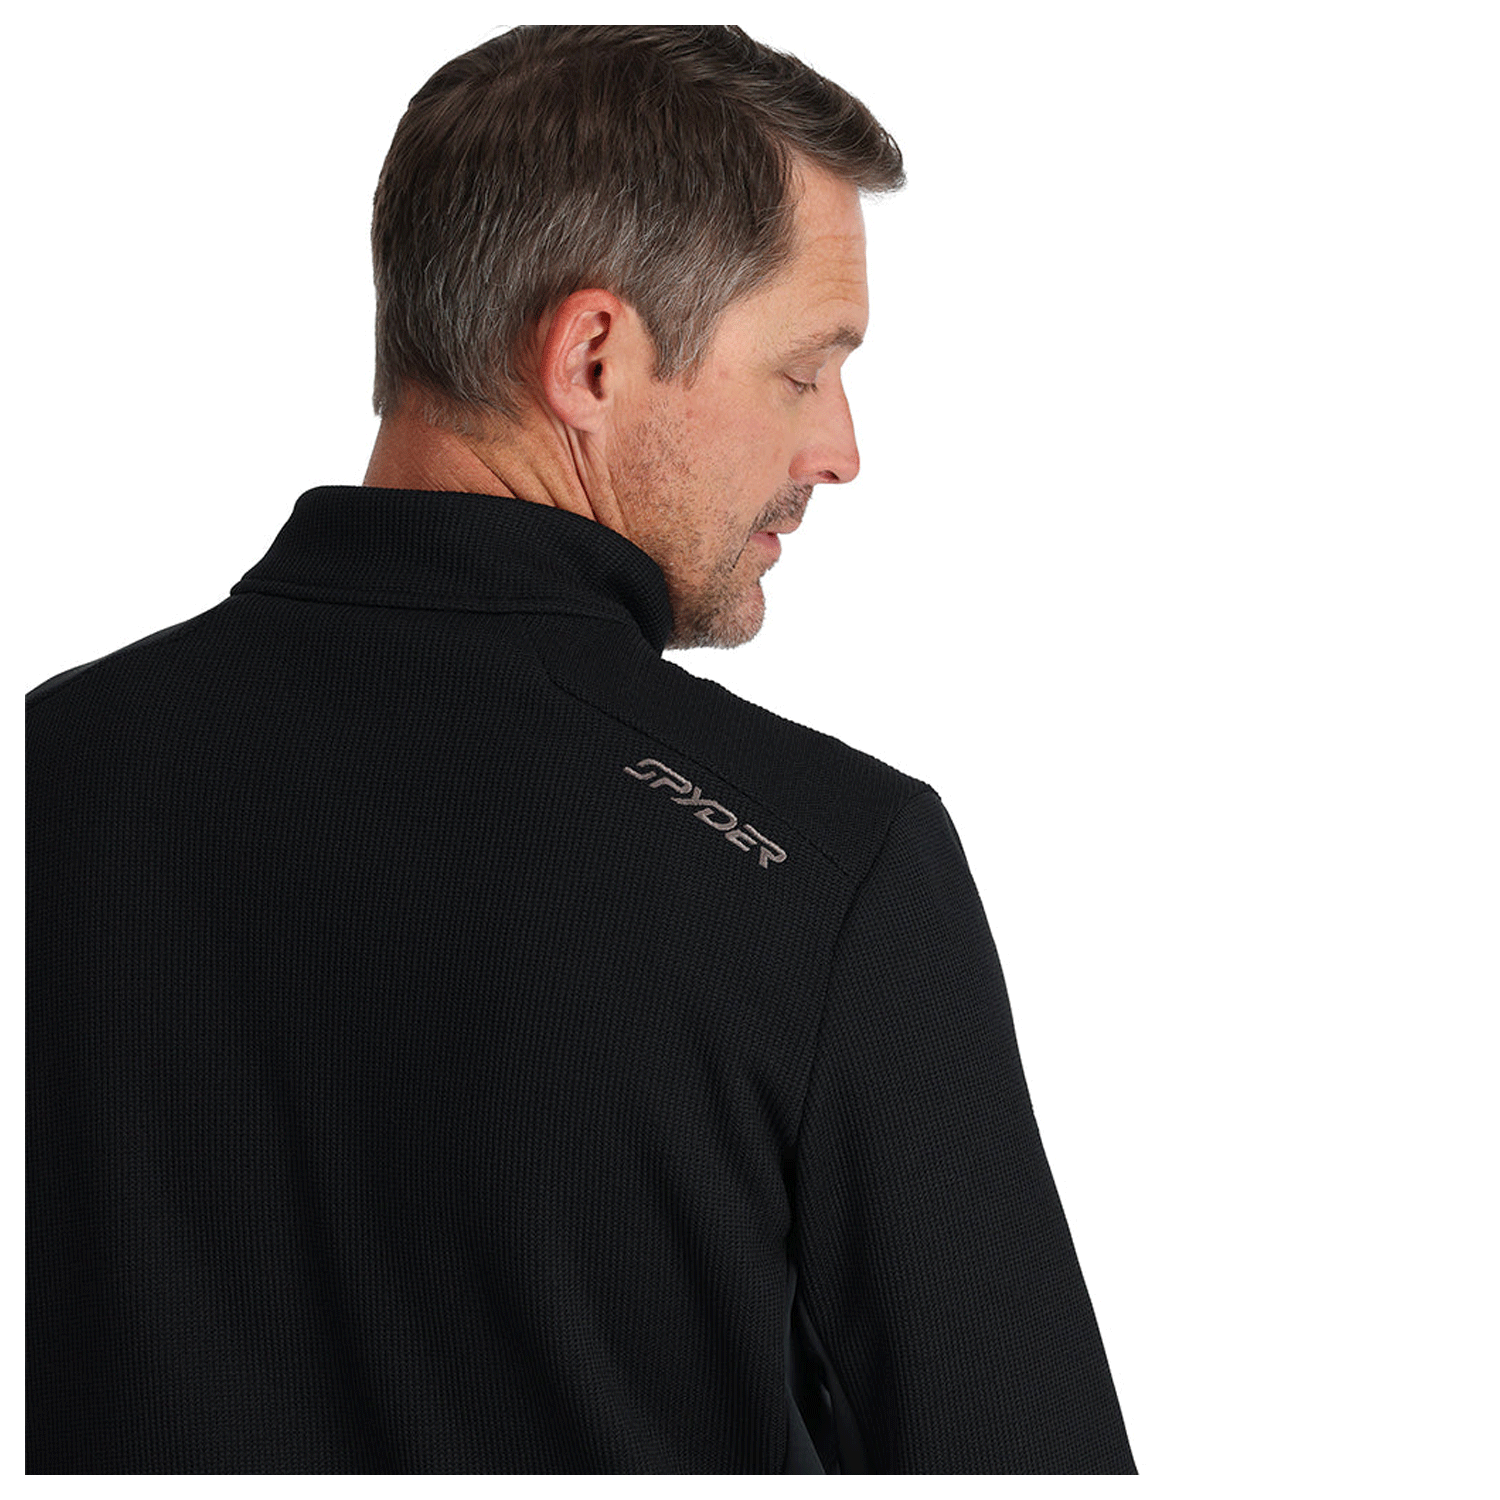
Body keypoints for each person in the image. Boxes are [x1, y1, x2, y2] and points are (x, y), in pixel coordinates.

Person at [27, 25, 1135, 1474]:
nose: (842, 449)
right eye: (806, 370)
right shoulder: (824, 865)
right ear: (594, 357)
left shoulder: (45, 774)